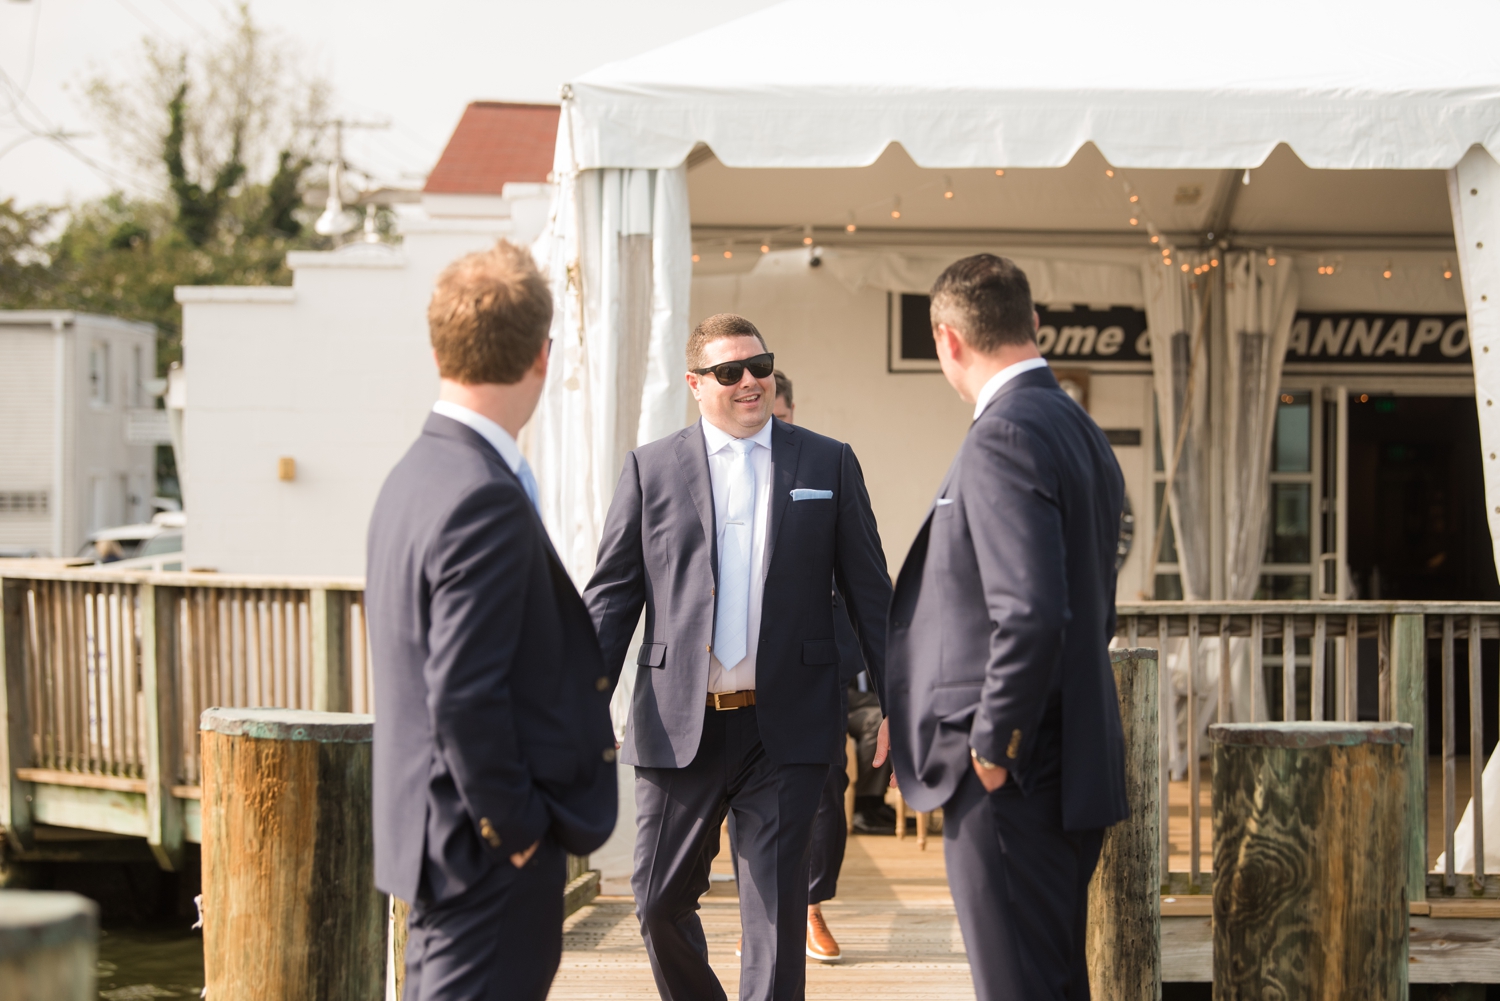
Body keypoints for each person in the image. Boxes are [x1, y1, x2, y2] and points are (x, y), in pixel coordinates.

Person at [585, 315, 891, 1001]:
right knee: (658, 901)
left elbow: (874, 594)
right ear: (696, 385)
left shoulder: (827, 462)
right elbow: (610, 599)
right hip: (677, 723)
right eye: (730, 372)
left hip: (786, 727)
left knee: (776, 922)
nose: (751, 381)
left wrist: (897, 701)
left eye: (761, 366)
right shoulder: (649, 467)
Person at [366, 241, 618, 1001]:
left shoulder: (412, 475)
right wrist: (514, 833)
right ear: (542, 355)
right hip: (481, 855)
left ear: (440, 343)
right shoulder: (484, 494)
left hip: (434, 840)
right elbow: (462, 692)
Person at [875, 255, 1128, 1001]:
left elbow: (1032, 609)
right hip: (1069, 759)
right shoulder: (1082, 430)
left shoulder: (1003, 435)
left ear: (946, 339)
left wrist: (993, 742)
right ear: (1034, 323)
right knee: (1048, 979)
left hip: (1016, 775)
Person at [727, 369, 891, 965]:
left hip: (822, 664)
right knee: (744, 802)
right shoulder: (718, 470)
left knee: (826, 791)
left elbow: (868, 582)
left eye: (781, 416)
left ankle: (809, 904)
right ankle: (763, 912)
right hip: (736, 674)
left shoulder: (826, 466)